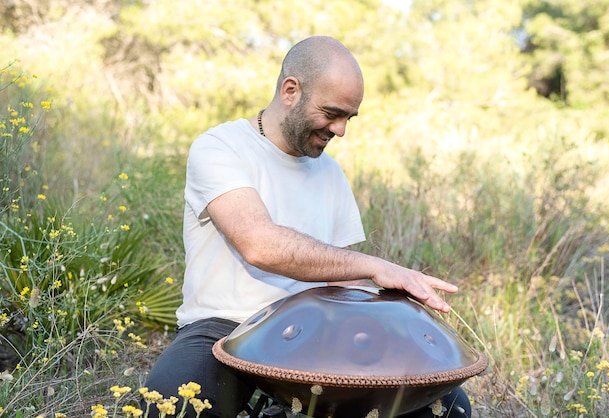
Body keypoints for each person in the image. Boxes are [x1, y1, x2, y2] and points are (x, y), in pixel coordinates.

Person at [144, 36, 471, 418]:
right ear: (290, 91)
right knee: (172, 406)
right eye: (332, 113)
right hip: (223, 327)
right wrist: (374, 266)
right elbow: (259, 245)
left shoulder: (330, 173)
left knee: (445, 409)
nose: (341, 129)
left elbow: (341, 276)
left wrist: (393, 302)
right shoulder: (220, 147)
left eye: (349, 117)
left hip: (315, 331)